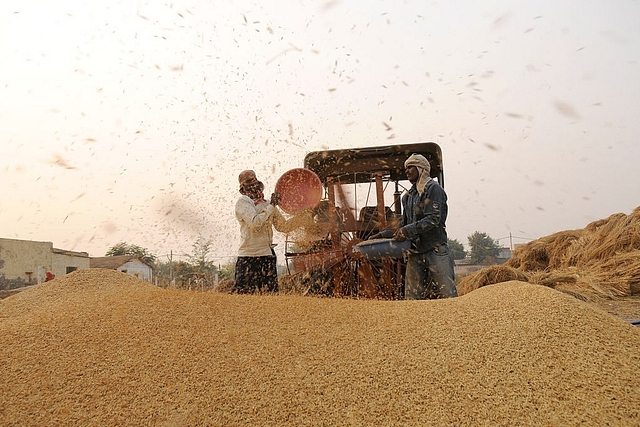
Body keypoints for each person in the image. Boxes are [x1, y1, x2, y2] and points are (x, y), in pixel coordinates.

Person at [370, 153, 458, 299]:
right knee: (412, 297)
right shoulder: (408, 197)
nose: (407, 170)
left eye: (411, 167)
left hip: (435, 250)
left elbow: (433, 219)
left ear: (421, 168)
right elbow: (403, 224)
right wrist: (382, 235)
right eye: (406, 167)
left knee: (447, 293)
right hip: (415, 253)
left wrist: (407, 230)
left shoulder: (433, 189)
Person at [234, 169, 295, 294]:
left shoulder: (267, 204)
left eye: (254, 181)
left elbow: (283, 227)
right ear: (243, 188)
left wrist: (301, 218)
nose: (253, 184)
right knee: (243, 299)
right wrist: (272, 205)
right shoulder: (243, 202)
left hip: (267, 256)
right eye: (249, 182)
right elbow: (255, 223)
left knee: (270, 297)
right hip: (248, 258)